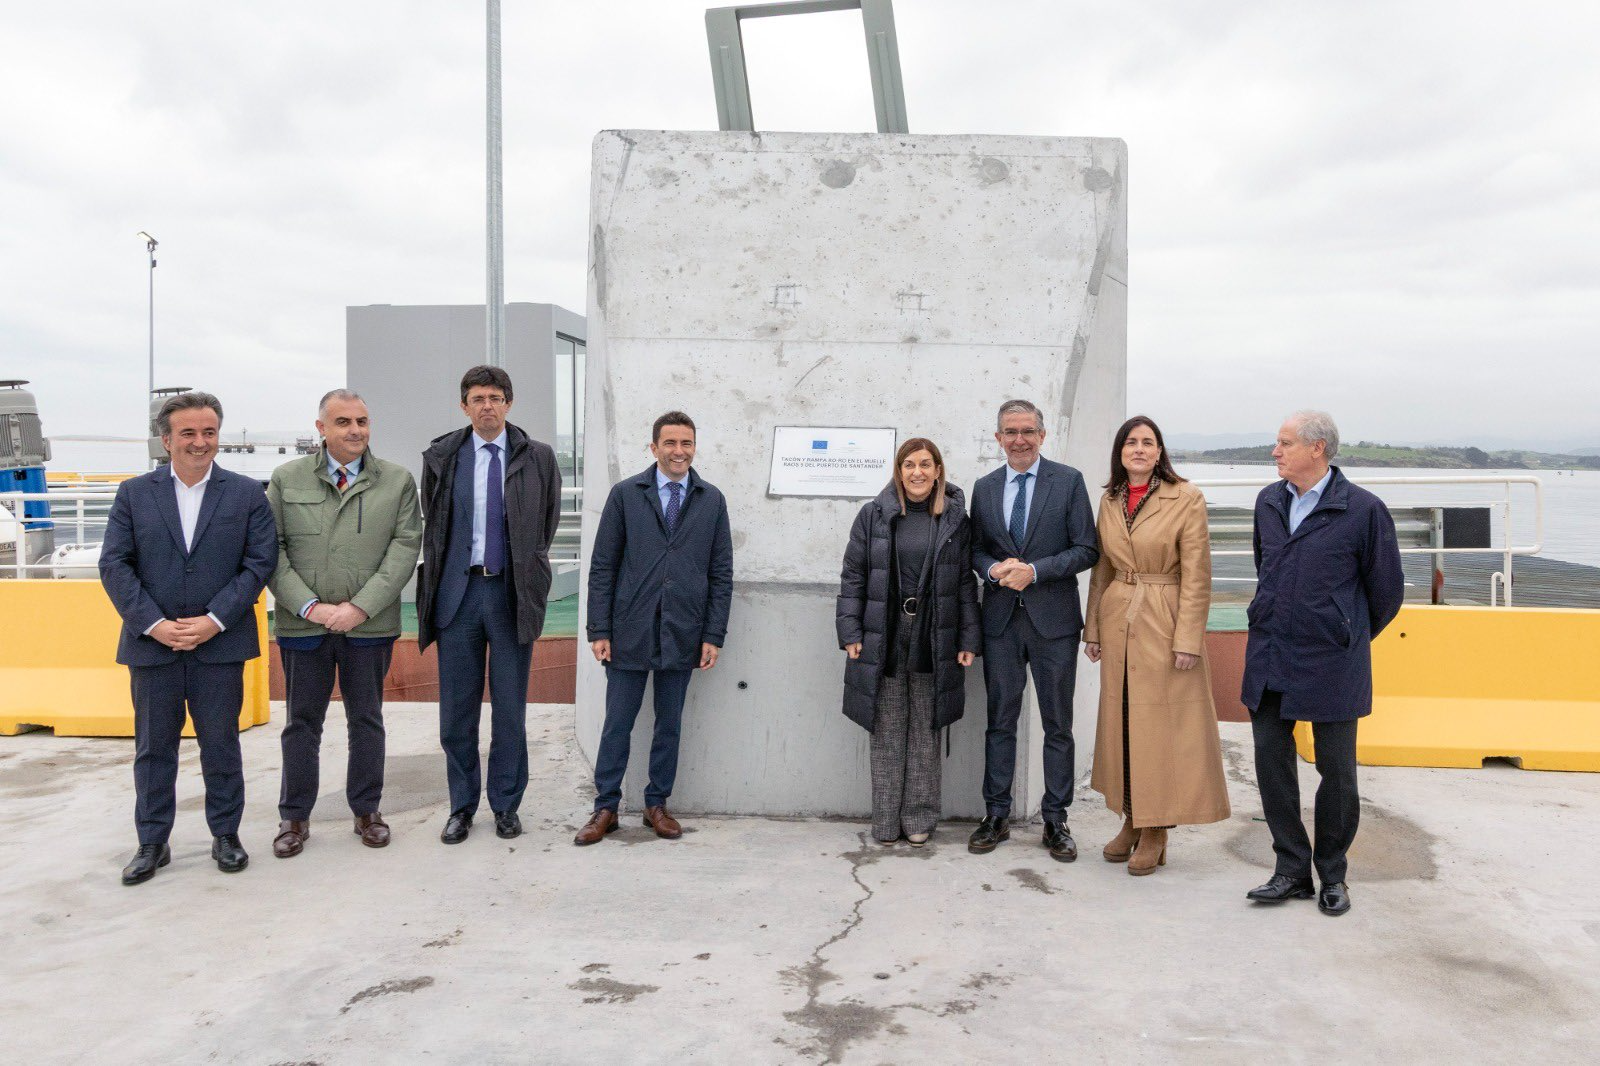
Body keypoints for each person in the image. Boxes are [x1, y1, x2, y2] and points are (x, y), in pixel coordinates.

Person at [99, 391, 277, 884]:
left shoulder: (246, 494)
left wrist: (214, 620)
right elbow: (114, 564)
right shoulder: (134, 494)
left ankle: (226, 835)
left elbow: (259, 563)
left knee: (221, 745)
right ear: (166, 439)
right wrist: (154, 624)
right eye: (189, 433)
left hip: (219, 644)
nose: (200, 442)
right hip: (152, 645)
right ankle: (152, 841)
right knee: (153, 749)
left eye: (209, 432)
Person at [1242, 411, 1403, 915]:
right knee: (1271, 763)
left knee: (1337, 772)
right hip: (1271, 652)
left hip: (1333, 659)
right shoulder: (1269, 502)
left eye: (1285, 443)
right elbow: (1266, 567)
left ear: (1317, 449)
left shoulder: (1364, 510)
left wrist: (1344, 629)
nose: (1275, 452)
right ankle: (1291, 869)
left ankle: (1333, 874)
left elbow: (1386, 592)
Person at [265, 389, 422, 858]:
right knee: (301, 723)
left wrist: (360, 607)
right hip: (303, 627)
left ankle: (367, 811)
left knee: (366, 720)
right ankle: (294, 817)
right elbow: (271, 549)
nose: (355, 430)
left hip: (368, 627)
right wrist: (309, 606)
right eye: (343, 422)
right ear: (321, 428)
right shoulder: (287, 479)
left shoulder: (396, 481)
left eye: (362, 421)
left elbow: (404, 548)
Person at [418, 365, 562, 845]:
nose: (487, 406)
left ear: (509, 403)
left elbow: (545, 523)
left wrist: (524, 571)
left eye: (495, 398)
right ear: (464, 406)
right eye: (478, 398)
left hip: (510, 593)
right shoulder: (443, 456)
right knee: (457, 712)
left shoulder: (537, 457)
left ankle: (505, 805)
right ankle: (461, 807)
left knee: (509, 709)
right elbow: (435, 523)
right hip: (458, 597)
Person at [575, 412, 733, 845]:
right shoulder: (626, 495)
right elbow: (603, 566)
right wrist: (599, 629)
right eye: (670, 443)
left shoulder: (711, 500)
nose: (678, 451)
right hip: (629, 629)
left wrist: (712, 635)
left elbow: (721, 574)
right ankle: (606, 807)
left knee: (669, 724)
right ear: (654, 447)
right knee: (617, 723)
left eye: (686, 443)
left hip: (683, 631)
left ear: (694, 447)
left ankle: (656, 804)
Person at [1083, 416, 1230, 876]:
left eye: (1148, 442)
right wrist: (1093, 630)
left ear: (1160, 451)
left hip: (1164, 617)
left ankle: (1157, 828)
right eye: (1131, 442)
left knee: (1161, 729)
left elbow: (1197, 575)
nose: (1139, 449)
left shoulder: (1186, 497)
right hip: (1118, 616)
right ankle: (1132, 817)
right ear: (1120, 451)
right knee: (1124, 721)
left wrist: (1188, 639)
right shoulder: (1109, 499)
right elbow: (1103, 568)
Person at [968, 399, 1100, 860]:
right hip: (1001, 622)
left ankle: (1056, 820)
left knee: (1058, 724)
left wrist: (1036, 571)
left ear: (1043, 435)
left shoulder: (1068, 481)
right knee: (999, 721)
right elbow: (975, 550)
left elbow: (1087, 548)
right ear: (998, 438)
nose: (1019, 440)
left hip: (1053, 624)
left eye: (1028, 431)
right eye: (1011, 432)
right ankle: (996, 815)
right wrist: (993, 570)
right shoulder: (984, 488)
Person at [837, 438, 980, 846]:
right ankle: (885, 820)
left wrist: (968, 637)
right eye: (909, 465)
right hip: (883, 631)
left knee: (925, 729)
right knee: (886, 727)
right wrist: (850, 632)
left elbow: (965, 583)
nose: (917, 472)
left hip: (935, 633)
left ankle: (918, 819)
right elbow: (853, 576)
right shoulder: (873, 515)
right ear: (899, 471)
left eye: (925, 464)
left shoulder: (954, 521)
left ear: (938, 471)